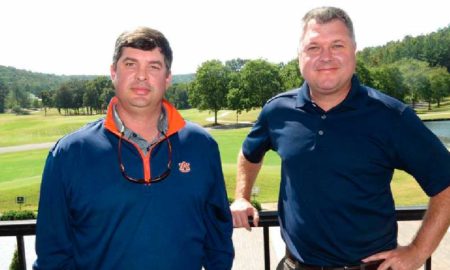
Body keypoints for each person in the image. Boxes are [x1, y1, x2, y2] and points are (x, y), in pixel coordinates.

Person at [230, 6, 450, 270]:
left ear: (354, 52)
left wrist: (417, 252)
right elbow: (249, 153)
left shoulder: (392, 117)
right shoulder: (277, 111)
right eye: (313, 48)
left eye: (337, 45)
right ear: (299, 56)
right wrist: (242, 196)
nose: (325, 57)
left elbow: (445, 184)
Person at [33, 27, 234, 270]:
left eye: (154, 66)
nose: (141, 76)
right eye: (130, 64)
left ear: (168, 77)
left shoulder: (202, 146)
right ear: (113, 72)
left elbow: (218, 239)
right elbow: (52, 256)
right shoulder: (69, 154)